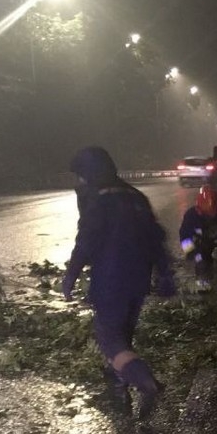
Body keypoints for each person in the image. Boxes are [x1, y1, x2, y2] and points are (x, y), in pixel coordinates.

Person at [63, 146, 177, 416]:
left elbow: (86, 241)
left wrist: (71, 275)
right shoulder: (135, 197)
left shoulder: (99, 200)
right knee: (124, 336)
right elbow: (156, 239)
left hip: (110, 281)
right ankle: (118, 383)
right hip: (138, 281)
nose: (79, 182)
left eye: (80, 176)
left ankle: (146, 383)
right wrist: (164, 275)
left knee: (110, 339)